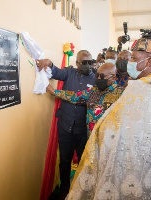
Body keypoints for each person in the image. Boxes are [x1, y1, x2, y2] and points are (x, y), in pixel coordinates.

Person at [66, 39, 151, 200]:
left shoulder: (144, 89)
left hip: (134, 161)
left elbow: (126, 128)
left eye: (133, 59)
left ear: (150, 61)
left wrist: (102, 130)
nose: (129, 63)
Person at [36, 50, 95, 199]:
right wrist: (48, 63)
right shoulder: (69, 73)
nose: (88, 65)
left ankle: (82, 189)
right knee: (64, 160)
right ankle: (64, 189)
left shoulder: (95, 79)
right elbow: (56, 72)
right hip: (66, 126)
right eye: (84, 62)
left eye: (90, 62)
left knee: (83, 161)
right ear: (77, 63)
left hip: (83, 130)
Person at [46, 63, 124, 137]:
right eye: (98, 75)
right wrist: (54, 92)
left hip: (108, 140)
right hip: (91, 139)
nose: (99, 78)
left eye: (102, 76)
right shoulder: (94, 90)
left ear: (113, 77)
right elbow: (75, 96)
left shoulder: (121, 94)